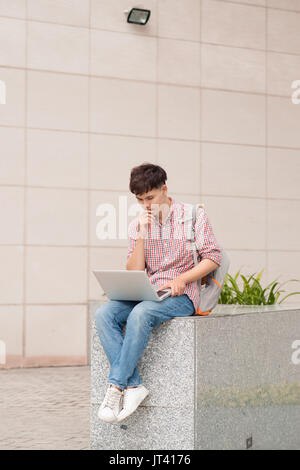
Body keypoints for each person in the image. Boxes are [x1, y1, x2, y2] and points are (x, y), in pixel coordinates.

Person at [95, 163, 222, 423]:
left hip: (182, 294)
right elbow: (134, 270)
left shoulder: (194, 215)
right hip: (149, 291)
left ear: (164, 189)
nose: (146, 205)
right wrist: (141, 235)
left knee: (141, 313)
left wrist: (182, 279)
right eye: (140, 200)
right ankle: (134, 385)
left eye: (150, 198)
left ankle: (117, 386)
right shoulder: (138, 224)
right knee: (103, 314)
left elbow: (212, 258)